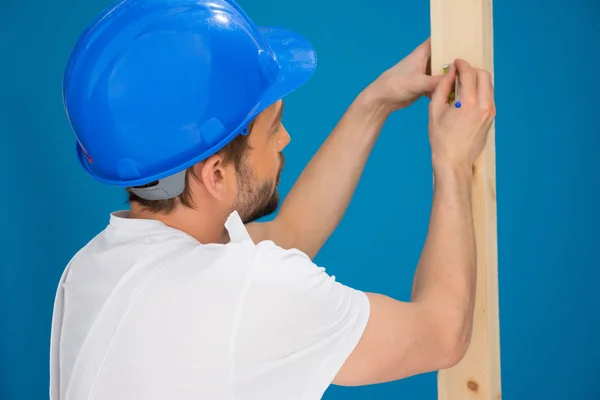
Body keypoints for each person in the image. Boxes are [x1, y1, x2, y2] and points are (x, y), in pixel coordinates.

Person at [49, 0, 496, 399]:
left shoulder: (91, 269)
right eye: (272, 126)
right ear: (216, 173)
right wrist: (453, 166)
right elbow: (442, 334)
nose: (285, 138)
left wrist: (374, 104)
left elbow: (289, 233)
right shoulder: (249, 292)